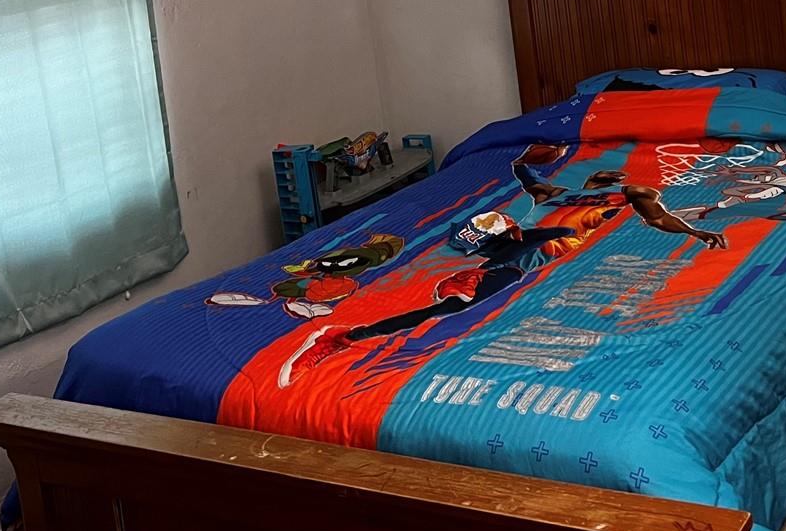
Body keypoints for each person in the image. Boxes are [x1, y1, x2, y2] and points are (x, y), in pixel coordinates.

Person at [277, 146, 724, 386]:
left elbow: (658, 218)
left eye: (616, 173)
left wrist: (695, 233)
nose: (612, 174)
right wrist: (532, 156)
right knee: (460, 295)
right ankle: (348, 334)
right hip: (511, 248)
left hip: (525, 260)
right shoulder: (553, 192)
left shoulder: (626, 196)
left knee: (455, 309)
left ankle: (346, 336)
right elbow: (520, 169)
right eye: (603, 172)